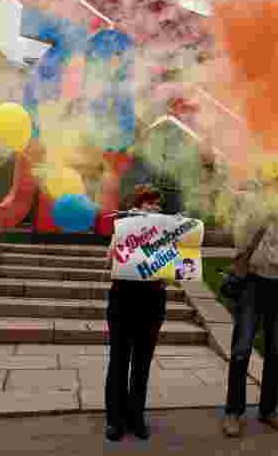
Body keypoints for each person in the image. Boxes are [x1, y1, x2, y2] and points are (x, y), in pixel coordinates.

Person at [222, 182, 278, 439]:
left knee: (276, 352)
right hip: (252, 283)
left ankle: (268, 410)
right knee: (241, 350)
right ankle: (233, 412)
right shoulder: (252, 203)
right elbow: (225, 193)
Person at [104, 184, 167, 441]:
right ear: (137, 205)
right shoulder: (124, 227)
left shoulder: (166, 231)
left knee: (141, 363)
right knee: (119, 361)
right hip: (123, 300)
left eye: (156, 204)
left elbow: (173, 272)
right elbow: (108, 263)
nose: (154, 208)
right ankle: (115, 420)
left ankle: (136, 417)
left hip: (152, 302)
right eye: (148, 203)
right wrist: (124, 233)